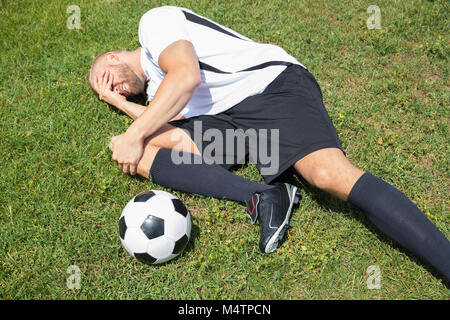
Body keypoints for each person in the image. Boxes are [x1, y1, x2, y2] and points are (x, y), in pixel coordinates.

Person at [89, 6, 450, 281]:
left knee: (326, 175)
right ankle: (261, 195)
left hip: (270, 90)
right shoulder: (153, 90)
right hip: (232, 125)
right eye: (105, 91)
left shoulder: (154, 24)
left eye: (108, 80)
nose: (114, 88)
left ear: (111, 57)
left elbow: (186, 77)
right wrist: (119, 104)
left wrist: (133, 134)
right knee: (137, 153)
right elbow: (170, 126)